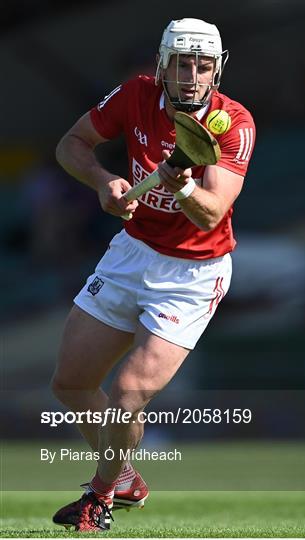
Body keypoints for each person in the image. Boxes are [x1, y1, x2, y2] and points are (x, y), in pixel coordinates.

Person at [51, 17, 255, 532]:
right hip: (132, 251)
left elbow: (211, 211)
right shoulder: (136, 96)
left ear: (217, 69)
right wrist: (101, 181)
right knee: (70, 384)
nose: (191, 75)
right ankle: (122, 475)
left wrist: (181, 185)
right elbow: (70, 145)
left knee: (129, 392)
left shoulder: (234, 123)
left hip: (193, 273)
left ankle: (98, 497)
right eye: (181, 64)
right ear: (162, 66)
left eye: (202, 65)